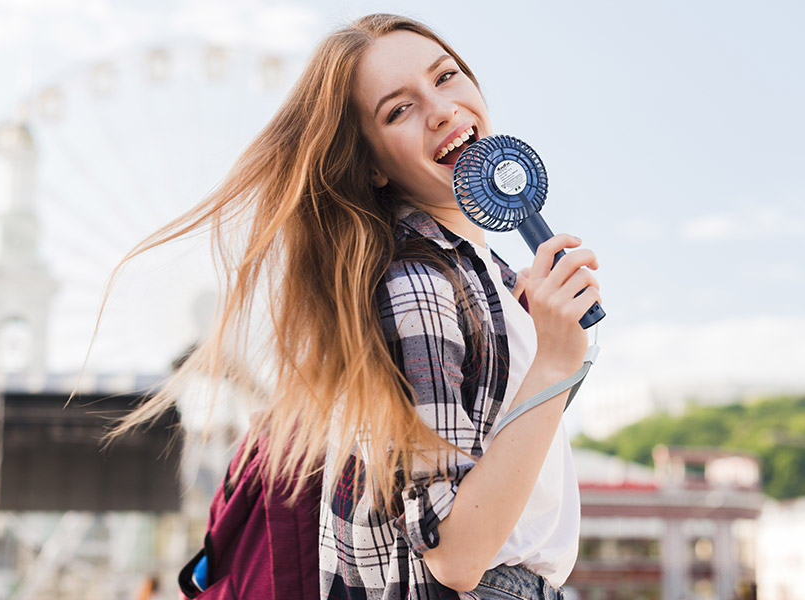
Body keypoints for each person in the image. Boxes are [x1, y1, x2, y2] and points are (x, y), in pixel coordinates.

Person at [110, 13, 601, 600]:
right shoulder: (414, 282)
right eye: (398, 110)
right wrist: (550, 365)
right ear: (371, 163)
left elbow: (507, 469)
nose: (440, 108)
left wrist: (532, 345)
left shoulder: (479, 275)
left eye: (446, 77)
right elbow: (454, 551)